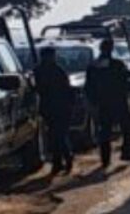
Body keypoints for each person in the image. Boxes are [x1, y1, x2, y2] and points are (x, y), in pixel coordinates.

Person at [86, 38, 130, 168]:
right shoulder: (117, 65)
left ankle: (105, 159)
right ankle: (125, 151)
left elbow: (89, 87)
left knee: (105, 131)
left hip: (103, 103)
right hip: (118, 101)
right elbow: (127, 80)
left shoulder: (93, 66)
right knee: (128, 127)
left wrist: (93, 102)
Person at [35, 47, 74, 175]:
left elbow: (67, 90)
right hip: (52, 108)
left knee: (58, 136)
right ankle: (61, 161)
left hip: (59, 107)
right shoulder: (46, 71)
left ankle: (64, 160)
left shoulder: (56, 71)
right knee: (56, 136)